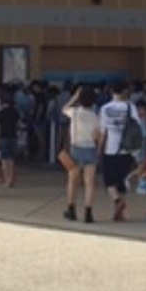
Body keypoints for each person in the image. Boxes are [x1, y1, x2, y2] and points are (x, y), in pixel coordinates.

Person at [97, 81, 138, 222]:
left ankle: (116, 201)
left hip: (110, 148)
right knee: (121, 182)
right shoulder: (130, 107)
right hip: (126, 149)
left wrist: (99, 148)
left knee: (109, 181)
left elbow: (103, 132)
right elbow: (137, 127)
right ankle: (121, 213)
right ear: (125, 91)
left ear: (111, 91)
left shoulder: (105, 108)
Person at [62, 86, 100, 223]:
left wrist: (75, 97)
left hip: (75, 149)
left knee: (73, 181)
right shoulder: (95, 116)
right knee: (90, 182)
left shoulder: (75, 112)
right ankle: (88, 212)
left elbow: (64, 108)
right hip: (90, 148)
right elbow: (97, 134)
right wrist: (99, 149)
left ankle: (71, 210)